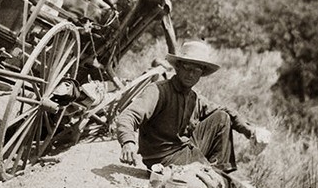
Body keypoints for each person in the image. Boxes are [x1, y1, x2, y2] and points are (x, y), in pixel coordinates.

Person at [115, 40, 271, 172]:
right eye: (187, 68)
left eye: (196, 71)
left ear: (201, 74)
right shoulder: (159, 91)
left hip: (183, 151)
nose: (191, 75)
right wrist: (128, 142)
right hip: (161, 158)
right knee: (204, 186)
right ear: (178, 67)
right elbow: (128, 116)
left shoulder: (194, 98)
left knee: (222, 118)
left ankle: (219, 173)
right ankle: (212, 177)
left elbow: (224, 112)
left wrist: (249, 131)